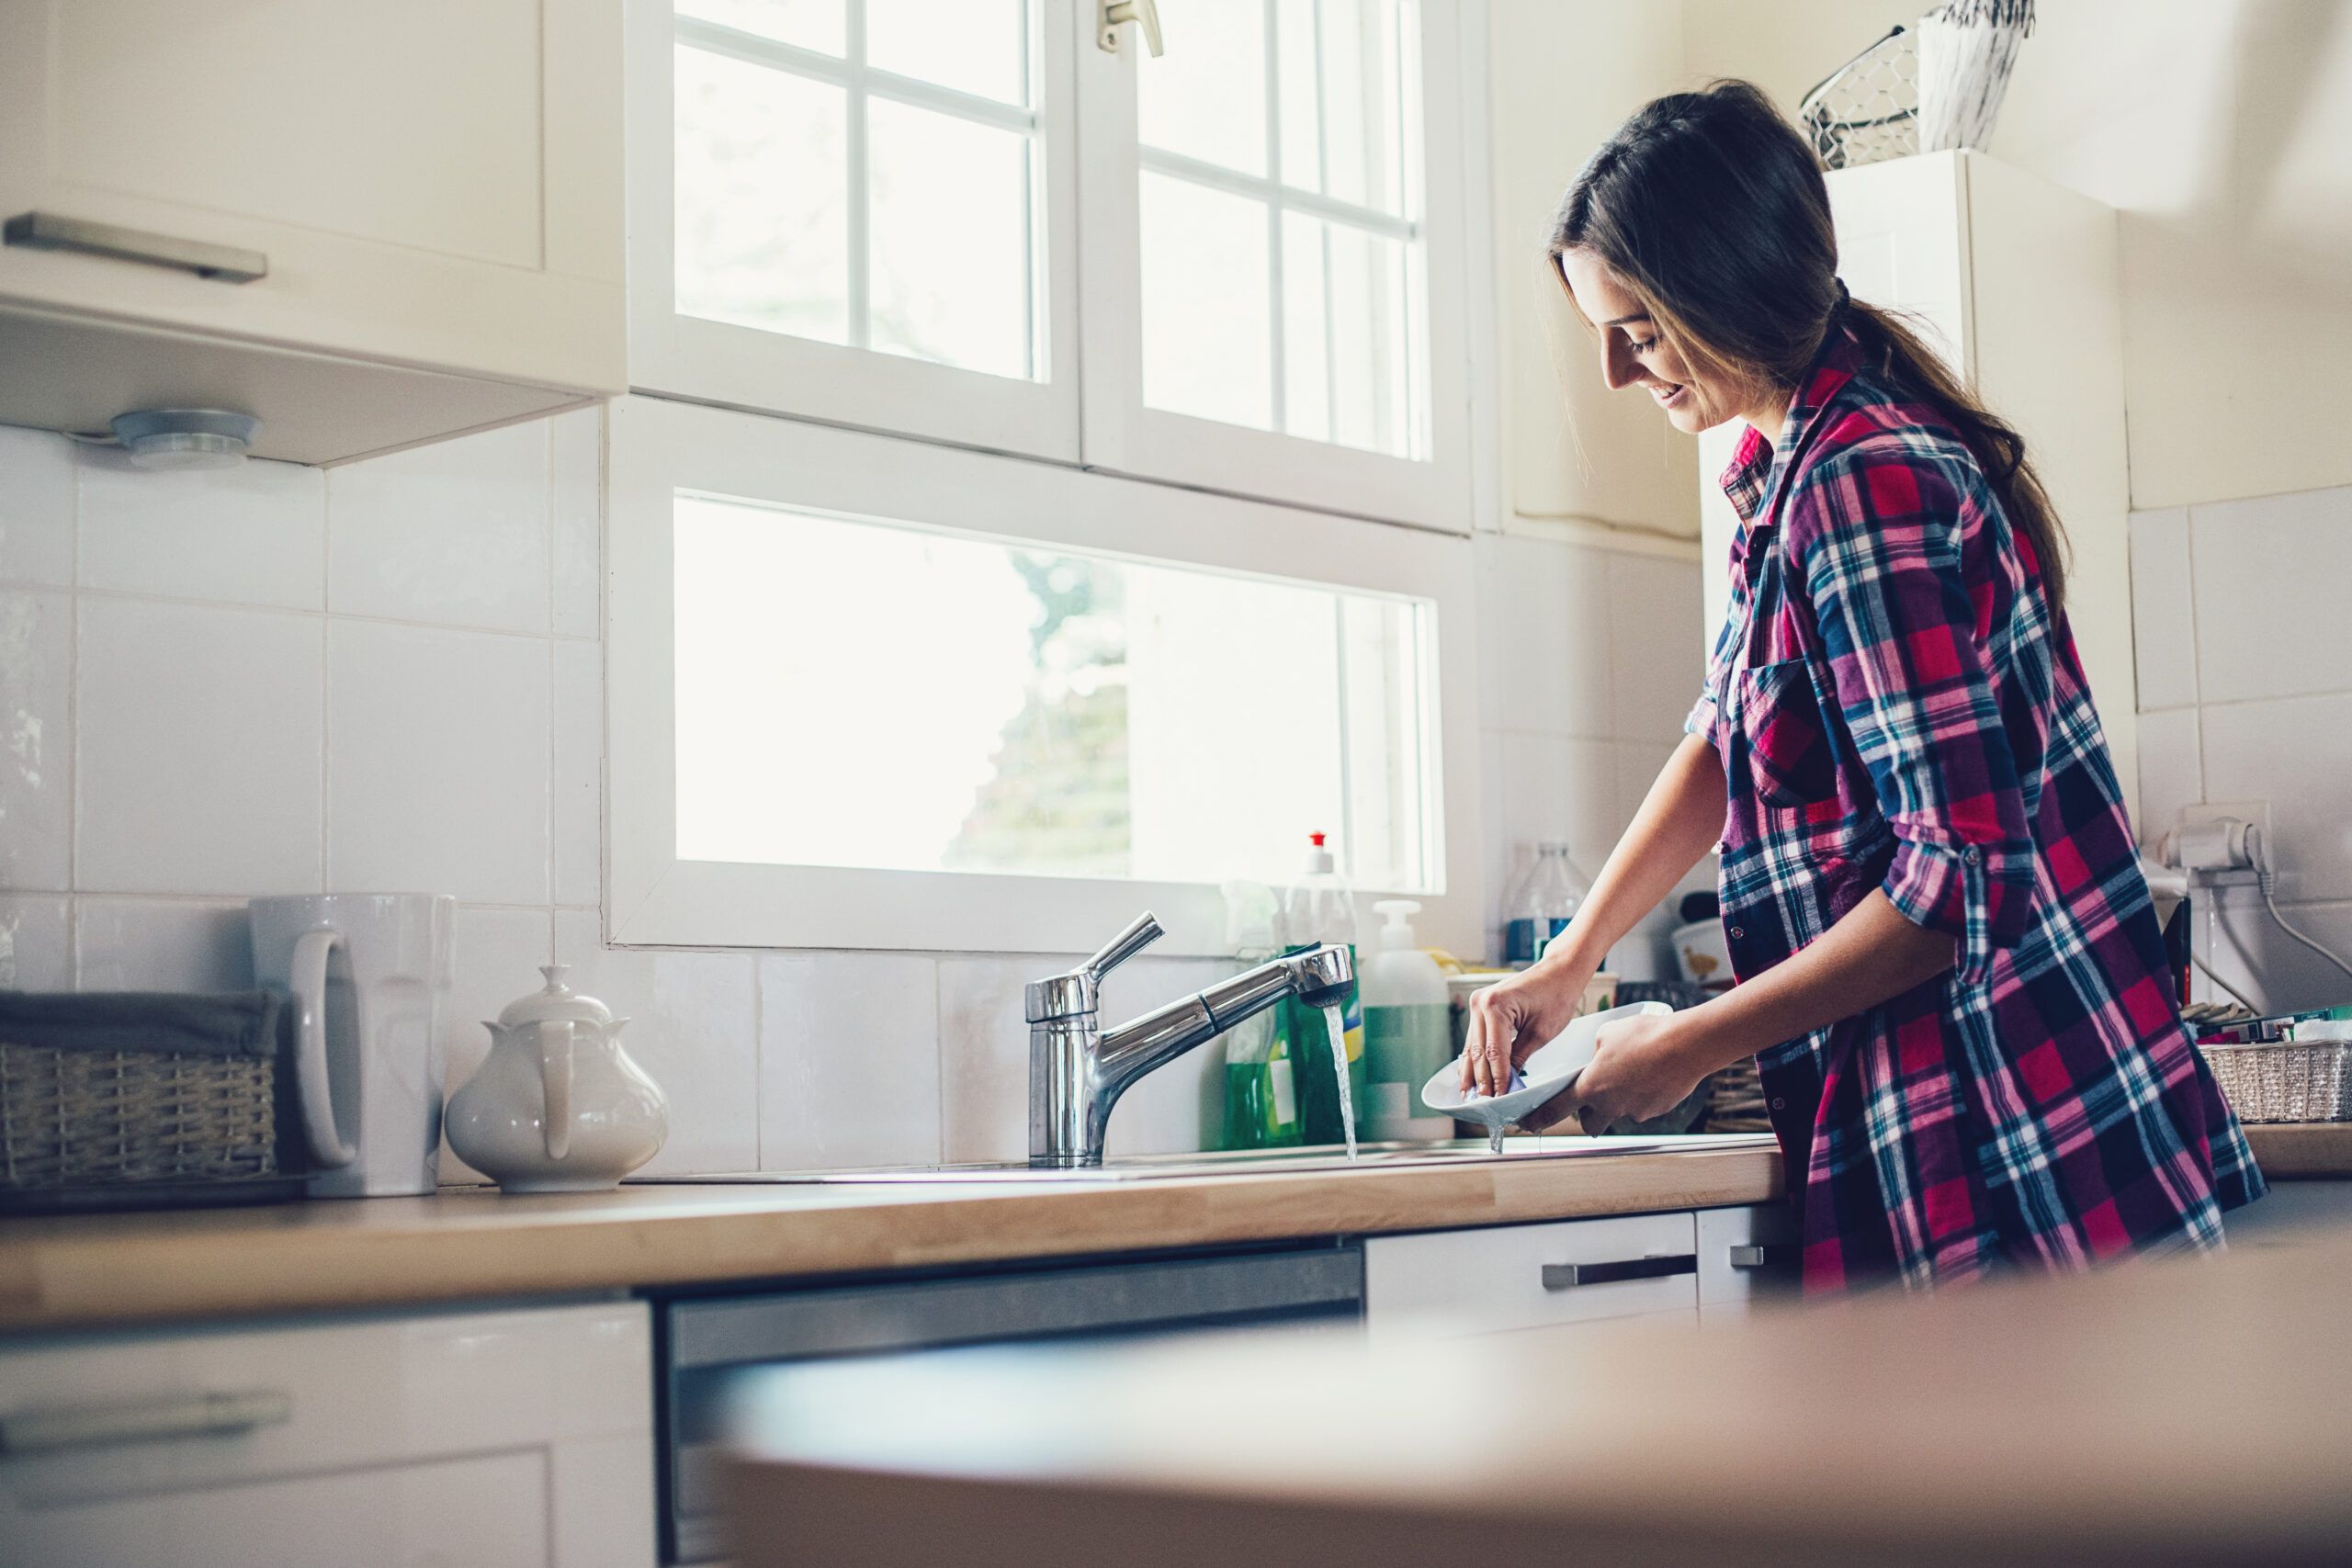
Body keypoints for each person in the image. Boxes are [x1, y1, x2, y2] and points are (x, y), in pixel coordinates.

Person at [1462, 81, 2263, 1292]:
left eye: (1639, 328)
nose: (1622, 375)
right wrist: (1573, 955)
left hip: (2019, 1141)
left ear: (1723, 289)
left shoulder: (1862, 482)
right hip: (1963, 1125)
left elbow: (1951, 891)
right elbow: (1730, 740)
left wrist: (1685, 1044)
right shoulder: (1782, 473)